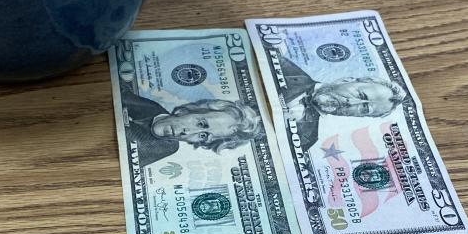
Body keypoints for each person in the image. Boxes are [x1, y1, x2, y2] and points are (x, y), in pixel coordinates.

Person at [276, 56, 406, 149]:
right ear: (346, 80)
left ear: (359, 116)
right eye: (360, 95)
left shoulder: (308, 138)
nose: (351, 103)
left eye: (364, 108)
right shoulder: (282, 66)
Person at [120, 87, 262, 165]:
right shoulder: (149, 106)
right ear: (185, 111)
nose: (187, 132)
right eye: (201, 123)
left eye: (203, 136)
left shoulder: (166, 146)